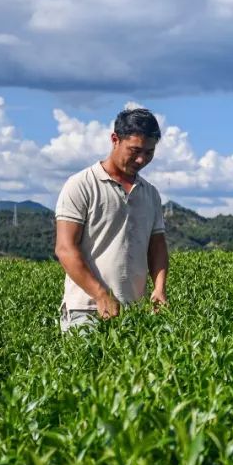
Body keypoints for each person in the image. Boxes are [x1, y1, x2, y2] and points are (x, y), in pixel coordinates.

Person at [55, 107, 168, 331]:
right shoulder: (82, 184)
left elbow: (157, 248)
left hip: (134, 312)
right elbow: (65, 249)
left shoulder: (150, 193)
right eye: (134, 150)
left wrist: (159, 288)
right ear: (115, 139)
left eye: (149, 152)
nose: (141, 159)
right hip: (86, 310)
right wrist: (100, 294)